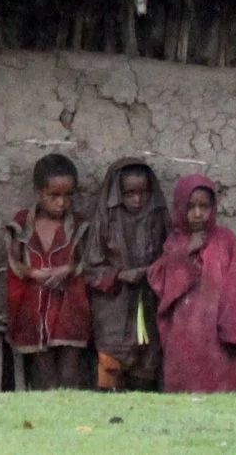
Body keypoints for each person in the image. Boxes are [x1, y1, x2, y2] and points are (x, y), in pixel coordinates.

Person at [146, 175, 236, 394]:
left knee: (219, 385)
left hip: (216, 331)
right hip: (183, 331)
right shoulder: (175, 242)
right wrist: (187, 252)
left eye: (204, 207)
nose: (197, 214)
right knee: (184, 387)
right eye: (191, 206)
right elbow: (161, 281)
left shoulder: (225, 240)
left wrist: (233, 331)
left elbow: (235, 287)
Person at [5, 152, 96, 390]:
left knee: (69, 370)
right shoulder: (24, 223)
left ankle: (71, 418)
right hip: (33, 308)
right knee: (43, 372)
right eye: (54, 196)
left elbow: (89, 260)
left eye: (68, 196)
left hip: (70, 307)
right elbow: (13, 261)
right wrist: (33, 273)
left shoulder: (78, 226)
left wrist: (68, 269)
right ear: (38, 192)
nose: (61, 203)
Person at [88, 159, 167, 391]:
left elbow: (172, 254)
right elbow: (89, 269)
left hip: (149, 300)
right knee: (112, 363)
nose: (137, 199)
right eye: (130, 193)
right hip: (114, 305)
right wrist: (121, 274)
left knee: (146, 365)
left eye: (142, 193)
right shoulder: (105, 220)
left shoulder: (157, 216)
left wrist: (153, 271)